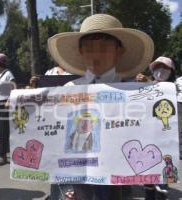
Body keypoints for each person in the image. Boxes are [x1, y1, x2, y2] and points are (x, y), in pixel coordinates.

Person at [47, 14, 154, 200]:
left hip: (119, 179)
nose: (96, 54)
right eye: (89, 48)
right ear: (81, 51)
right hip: (75, 178)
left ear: (119, 51)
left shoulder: (137, 93)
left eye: (104, 47)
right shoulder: (68, 90)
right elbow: (53, 136)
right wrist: (24, 106)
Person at [136, 56, 175, 200]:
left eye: (164, 68)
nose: (160, 71)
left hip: (166, 136)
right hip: (147, 134)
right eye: (157, 67)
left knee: (164, 167)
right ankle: (149, 194)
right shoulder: (145, 84)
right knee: (149, 168)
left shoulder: (175, 87)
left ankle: (162, 193)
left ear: (171, 71)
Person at [0, 53, 16, 166]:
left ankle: (3, 156)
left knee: (3, 130)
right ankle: (8, 146)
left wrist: (10, 99)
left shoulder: (8, 74)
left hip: (4, 102)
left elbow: (14, 86)